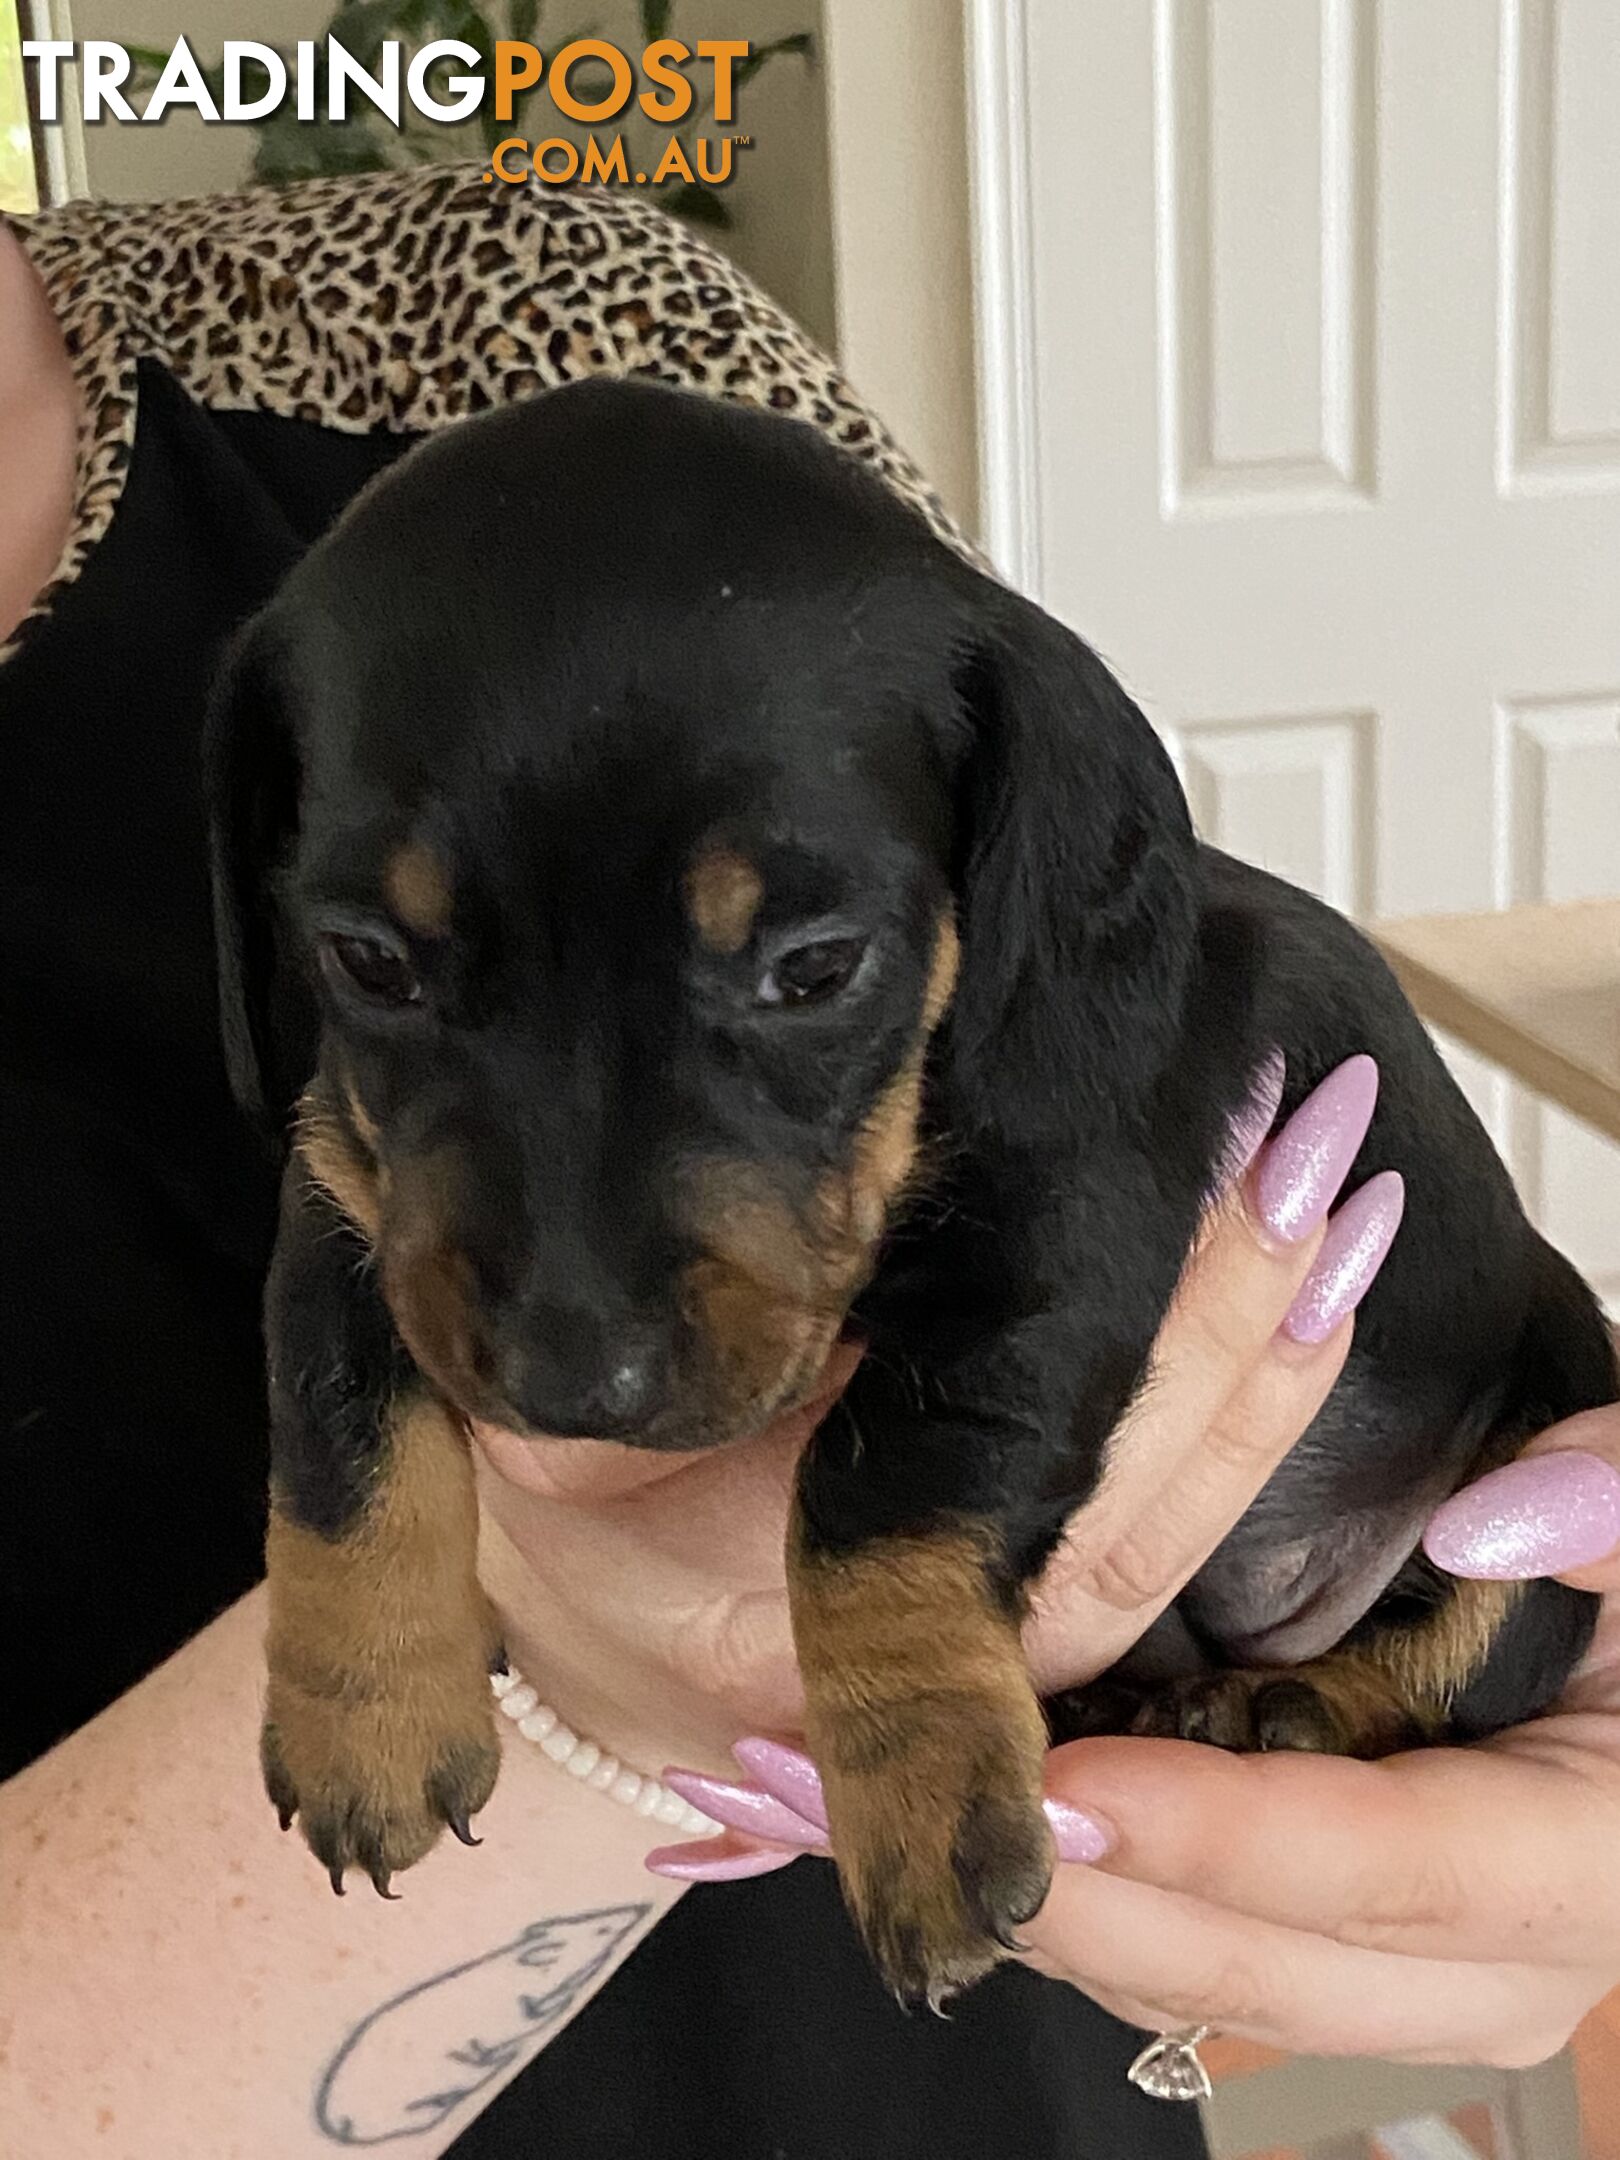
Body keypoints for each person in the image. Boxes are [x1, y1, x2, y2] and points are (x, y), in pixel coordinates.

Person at [2, 164, 1617, 2160]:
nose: (577, 1315)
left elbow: (1053, 1159)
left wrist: (1390, 1844)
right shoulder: (314, 712)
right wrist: (478, 1650)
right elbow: (337, 1243)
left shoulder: (511, 313)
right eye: (382, 971)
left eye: (802, 971)